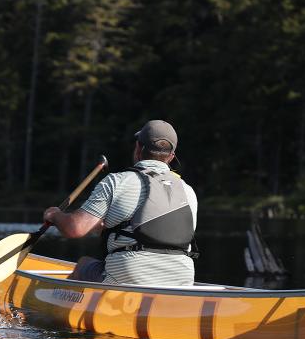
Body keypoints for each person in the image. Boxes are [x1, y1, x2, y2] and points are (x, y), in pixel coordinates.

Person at [42, 120, 198, 287]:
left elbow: (75, 228)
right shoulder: (188, 191)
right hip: (182, 279)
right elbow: (161, 233)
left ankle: (64, 307)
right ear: (171, 157)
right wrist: (106, 227)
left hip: (131, 275)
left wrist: (55, 215)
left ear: (138, 148)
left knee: (83, 265)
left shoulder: (117, 182)